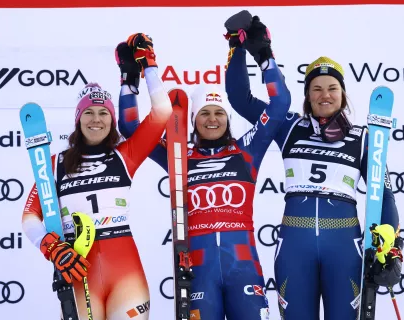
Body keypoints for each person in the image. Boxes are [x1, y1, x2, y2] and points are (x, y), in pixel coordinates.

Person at [224, 11, 404, 320]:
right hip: (295, 246)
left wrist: (392, 250)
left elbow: (384, 196)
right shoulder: (288, 126)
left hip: (344, 247)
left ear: (343, 94)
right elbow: (239, 97)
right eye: (316, 88)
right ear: (307, 94)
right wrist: (237, 47)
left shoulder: (365, 137)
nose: (325, 95)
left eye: (332, 88)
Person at [118, 23, 290, 320]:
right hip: (198, 274)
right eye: (205, 114)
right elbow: (131, 128)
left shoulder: (246, 150)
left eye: (219, 113)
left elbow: (279, 105)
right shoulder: (177, 155)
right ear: (193, 120)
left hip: (244, 271)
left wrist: (265, 57)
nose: (212, 120)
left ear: (227, 118)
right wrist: (132, 79)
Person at [21, 33, 172, 320]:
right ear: (78, 120)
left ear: (112, 120)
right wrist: (51, 247)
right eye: (88, 113)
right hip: (78, 270)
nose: (96, 119)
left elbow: (162, 111)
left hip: (125, 271)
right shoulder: (55, 164)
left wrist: (149, 66)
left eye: (104, 113)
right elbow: (29, 216)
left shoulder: (124, 155)